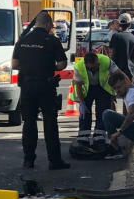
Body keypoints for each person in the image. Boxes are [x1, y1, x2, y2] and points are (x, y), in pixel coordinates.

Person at [12, 11, 70, 170]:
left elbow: (15, 65)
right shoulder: (52, 41)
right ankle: (54, 160)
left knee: (29, 123)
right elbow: (62, 64)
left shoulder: (22, 40)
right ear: (47, 25)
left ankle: (28, 159)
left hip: (27, 86)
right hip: (45, 85)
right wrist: (48, 66)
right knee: (50, 123)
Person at [102, 72, 134, 158]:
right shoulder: (129, 93)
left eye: (119, 87)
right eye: (115, 89)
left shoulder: (132, 96)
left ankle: (116, 149)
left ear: (125, 83)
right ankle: (114, 145)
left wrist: (119, 133)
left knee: (107, 114)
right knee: (109, 114)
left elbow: (131, 115)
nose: (117, 91)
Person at [72, 52, 119, 145]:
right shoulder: (79, 66)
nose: (94, 69)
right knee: (85, 113)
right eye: (91, 68)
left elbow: (118, 73)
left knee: (102, 112)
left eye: (96, 66)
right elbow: (78, 86)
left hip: (103, 88)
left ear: (98, 62)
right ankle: (83, 137)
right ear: (86, 65)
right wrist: (82, 103)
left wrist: (129, 86)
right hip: (88, 89)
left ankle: (99, 136)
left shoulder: (106, 61)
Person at [108, 12, 134, 80]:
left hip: (116, 70)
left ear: (120, 24)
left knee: (117, 89)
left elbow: (111, 53)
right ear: (130, 24)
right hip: (130, 72)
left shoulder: (115, 36)